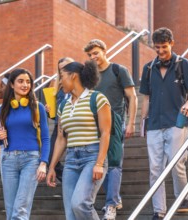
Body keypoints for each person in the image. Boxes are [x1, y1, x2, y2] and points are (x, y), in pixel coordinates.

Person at [139, 27, 188, 220]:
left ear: (171, 43)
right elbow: (146, 98)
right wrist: (142, 122)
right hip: (154, 124)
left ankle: (182, 198)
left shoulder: (183, 64)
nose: (160, 51)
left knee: (176, 164)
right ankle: (159, 211)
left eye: (164, 47)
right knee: (154, 169)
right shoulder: (148, 69)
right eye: (157, 47)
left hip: (176, 122)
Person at [47, 60, 111, 220]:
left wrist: (99, 163)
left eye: (62, 77)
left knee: (80, 204)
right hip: (71, 161)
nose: (60, 82)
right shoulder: (63, 105)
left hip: (92, 156)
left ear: (73, 76)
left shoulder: (97, 99)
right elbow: (61, 139)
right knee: (70, 214)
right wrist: (52, 167)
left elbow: (105, 132)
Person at [84, 39, 138, 219]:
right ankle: (114, 197)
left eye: (96, 53)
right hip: (94, 124)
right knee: (100, 162)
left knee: (113, 163)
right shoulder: (90, 76)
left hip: (115, 122)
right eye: (90, 55)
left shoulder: (118, 70)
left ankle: (111, 204)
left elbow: (132, 97)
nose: (93, 57)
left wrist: (131, 123)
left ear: (104, 51)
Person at [0, 68, 50, 220]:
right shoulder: (3, 110)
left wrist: (43, 163)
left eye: (28, 82)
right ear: (11, 84)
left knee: (20, 210)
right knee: (11, 211)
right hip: (8, 160)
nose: (25, 85)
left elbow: (45, 138)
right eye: (20, 81)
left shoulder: (38, 108)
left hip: (31, 160)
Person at [46, 57, 74, 182]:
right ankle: (67, 180)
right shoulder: (58, 88)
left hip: (75, 127)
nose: (63, 70)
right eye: (61, 68)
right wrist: (49, 112)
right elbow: (55, 114)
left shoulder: (79, 85)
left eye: (66, 67)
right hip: (60, 127)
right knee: (50, 157)